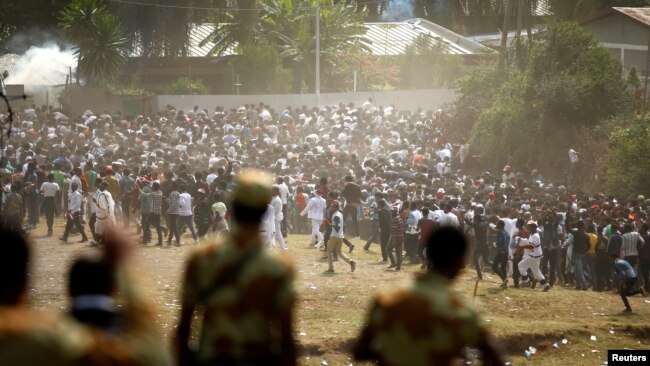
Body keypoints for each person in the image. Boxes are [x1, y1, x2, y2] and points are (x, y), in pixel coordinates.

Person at [175, 169, 296, 366]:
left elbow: (183, 327)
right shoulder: (279, 267)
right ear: (264, 211)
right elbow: (287, 338)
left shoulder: (202, 258)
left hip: (212, 356)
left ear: (233, 208)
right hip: (258, 357)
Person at [353, 227, 504, 366]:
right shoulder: (462, 311)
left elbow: (360, 352)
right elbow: (494, 357)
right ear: (460, 262)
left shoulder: (387, 299)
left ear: (428, 254)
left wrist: (394, 355)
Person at [518, 220, 551, 291]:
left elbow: (531, 246)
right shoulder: (531, 234)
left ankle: (526, 281)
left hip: (534, 256)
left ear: (533, 227)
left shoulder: (536, 236)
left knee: (520, 265)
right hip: (536, 255)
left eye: (529, 226)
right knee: (536, 270)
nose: (528, 227)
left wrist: (522, 246)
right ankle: (545, 285)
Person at [325, 200, 356, 273]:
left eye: (332, 206)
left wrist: (329, 224)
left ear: (336, 207)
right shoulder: (340, 214)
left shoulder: (335, 215)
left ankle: (331, 268)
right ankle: (351, 262)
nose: (331, 207)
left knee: (329, 251)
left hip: (334, 236)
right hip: (340, 236)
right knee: (339, 252)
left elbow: (337, 227)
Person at [492, 220, 510, 288]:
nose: (496, 225)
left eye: (497, 224)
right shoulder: (507, 232)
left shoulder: (500, 232)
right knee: (503, 268)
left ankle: (504, 279)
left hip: (501, 252)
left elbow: (499, 242)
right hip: (506, 252)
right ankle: (505, 284)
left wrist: (494, 245)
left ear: (500, 225)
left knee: (494, 267)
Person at [387, 204, 405, 271]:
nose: (391, 213)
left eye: (392, 212)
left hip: (395, 238)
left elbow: (394, 231)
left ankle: (395, 264)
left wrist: (394, 241)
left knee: (388, 250)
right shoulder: (399, 218)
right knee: (398, 253)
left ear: (395, 212)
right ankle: (397, 266)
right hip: (400, 237)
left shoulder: (395, 219)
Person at [271, 186, 287, 250]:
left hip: (276, 217)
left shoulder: (277, 200)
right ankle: (282, 247)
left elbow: (275, 211)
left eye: (272, 191)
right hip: (274, 217)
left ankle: (282, 247)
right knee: (277, 232)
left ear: (276, 192)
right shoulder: (274, 198)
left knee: (277, 232)